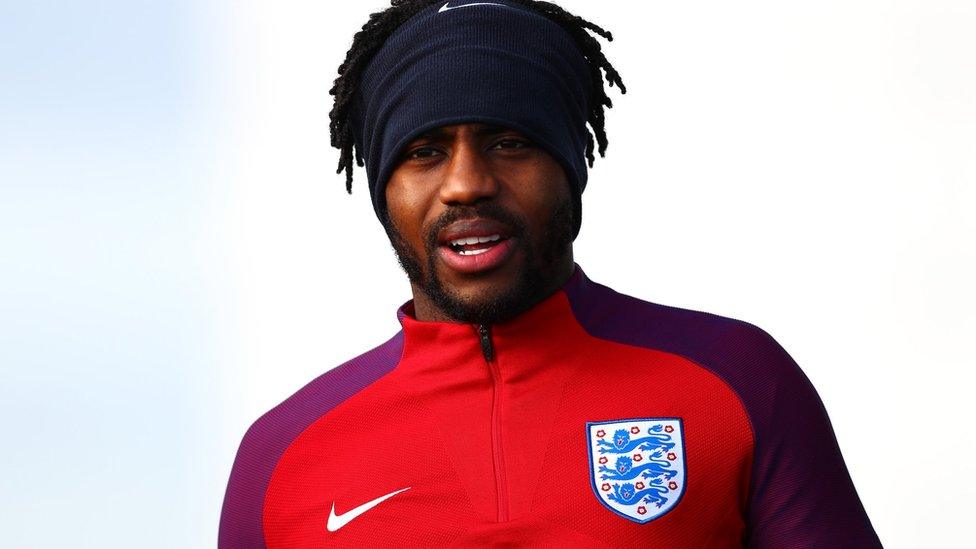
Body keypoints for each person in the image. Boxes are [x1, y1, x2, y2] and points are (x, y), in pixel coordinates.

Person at [219, 1, 883, 547]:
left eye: (510, 141)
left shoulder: (736, 381)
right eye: (425, 151)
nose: (466, 184)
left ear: (570, 164)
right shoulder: (282, 460)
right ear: (382, 189)